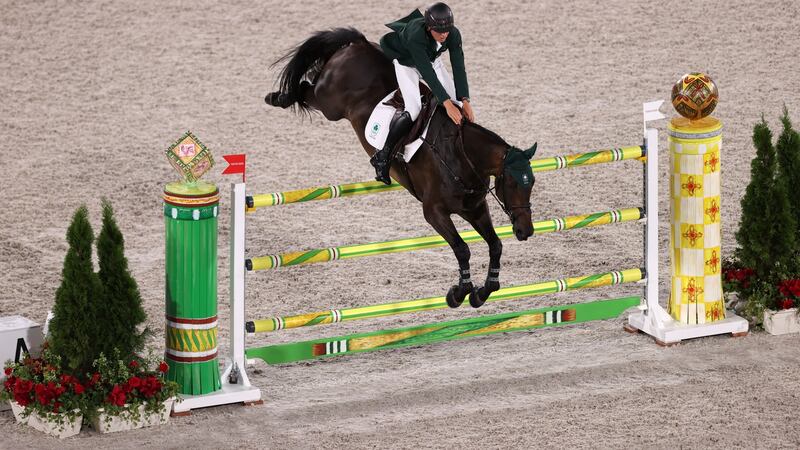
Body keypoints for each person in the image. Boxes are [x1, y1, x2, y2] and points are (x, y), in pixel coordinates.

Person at [370, 2, 475, 184]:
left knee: (458, 105)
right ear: (428, 27)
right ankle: (383, 155)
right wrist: (446, 103)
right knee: (414, 109)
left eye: (447, 31)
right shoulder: (415, 35)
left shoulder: (453, 33)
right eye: (439, 31)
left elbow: (459, 66)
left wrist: (464, 100)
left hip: (433, 61)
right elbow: (426, 72)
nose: (444, 35)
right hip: (407, 64)